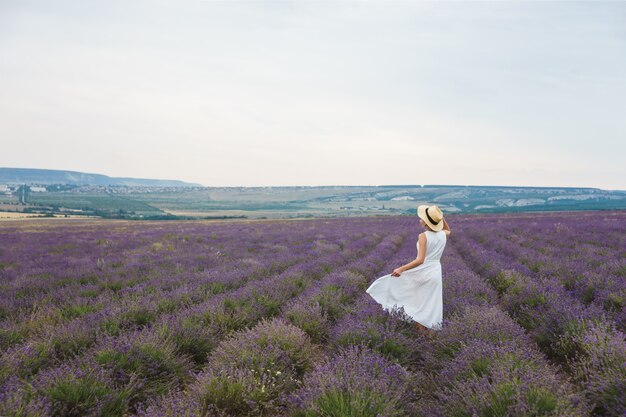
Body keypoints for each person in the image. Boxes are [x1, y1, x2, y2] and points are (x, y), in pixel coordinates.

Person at [366, 204, 451, 337]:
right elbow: (448, 230)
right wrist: (440, 217)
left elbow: (420, 260)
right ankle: (430, 340)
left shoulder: (423, 236)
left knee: (417, 304)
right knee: (431, 306)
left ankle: (420, 337)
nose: (420, 220)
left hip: (423, 272)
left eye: (422, 218)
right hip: (435, 273)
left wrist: (401, 268)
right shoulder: (442, 234)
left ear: (427, 222)